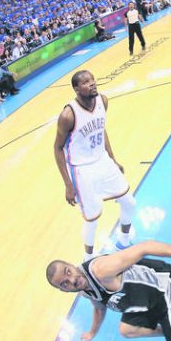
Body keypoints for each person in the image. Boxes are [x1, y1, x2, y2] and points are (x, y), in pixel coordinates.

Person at [53, 70, 137, 261]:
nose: (91, 83)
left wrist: (113, 159)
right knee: (92, 218)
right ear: (76, 89)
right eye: (85, 82)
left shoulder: (103, 101)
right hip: (82, 169)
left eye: (92, 79)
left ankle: (123, 240)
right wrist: (68, 184)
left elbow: (101, 129)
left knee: (129, 202)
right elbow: (57, 148)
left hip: (103, 161)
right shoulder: (68, 115)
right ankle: (88, 257)